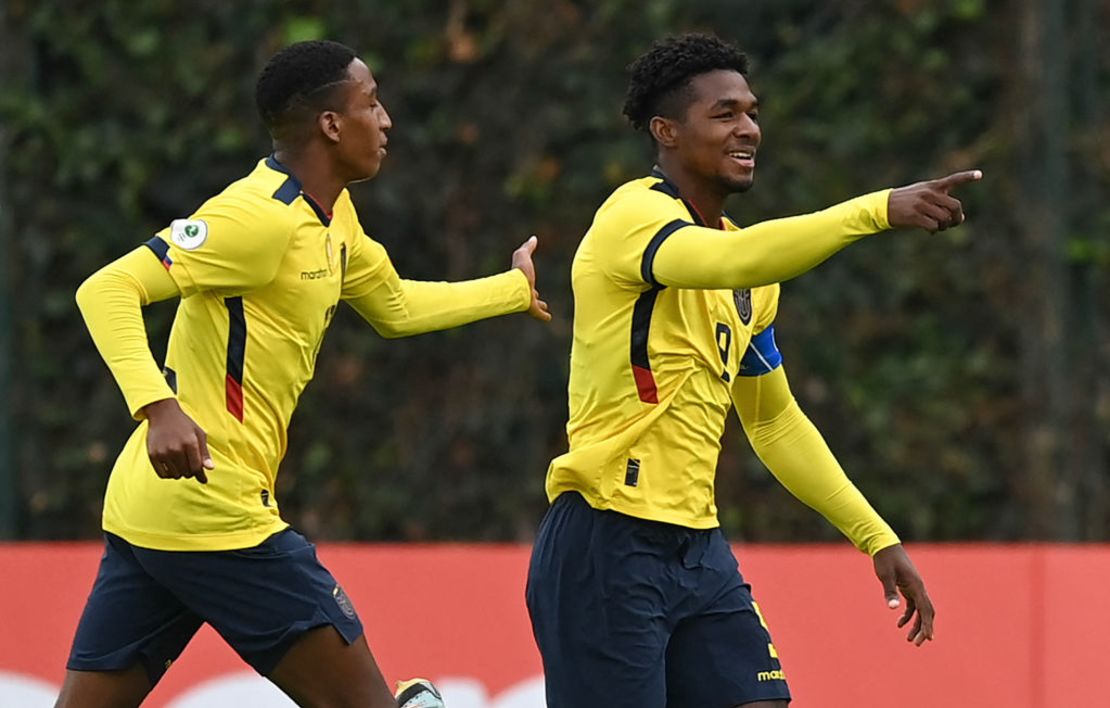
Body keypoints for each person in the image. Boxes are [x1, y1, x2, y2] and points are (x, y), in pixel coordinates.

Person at [58, 40, 550, 708]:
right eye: (371, 103)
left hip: (154, 514)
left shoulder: (334, 216)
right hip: (215, 512)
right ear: (329, 124)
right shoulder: (255, 219)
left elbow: (395, 307)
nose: (386, 121)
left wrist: (511, 291)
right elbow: (106, 290)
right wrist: (158, 407)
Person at [525, 33, 980, 708]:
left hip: (698, 550)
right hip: (606, 544)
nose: (749, 129)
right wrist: (876, 210)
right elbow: (737, 262)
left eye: (752, 112)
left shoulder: (750, 276)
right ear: (666, 132)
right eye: (725, 114)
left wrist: (874, 535)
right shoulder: (633, 216)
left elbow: (772, 419)